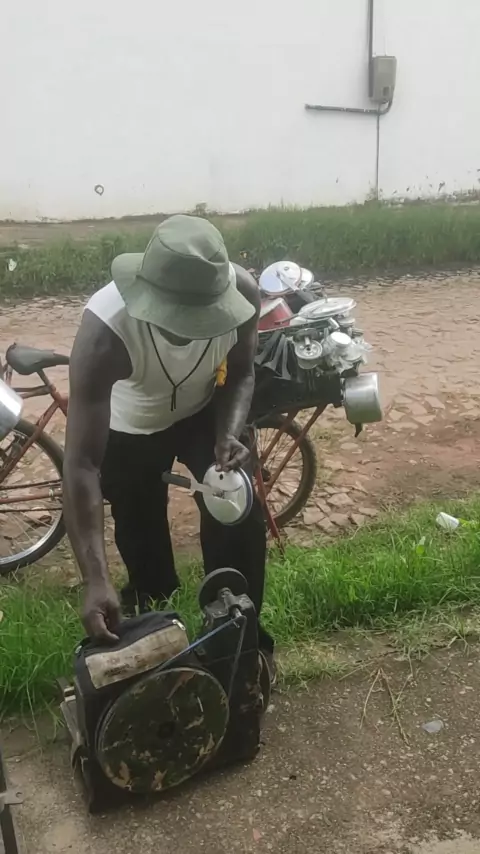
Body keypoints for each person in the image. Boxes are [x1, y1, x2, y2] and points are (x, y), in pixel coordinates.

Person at [63, 214, 274, 671]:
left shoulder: (243, 294)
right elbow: (81, 465)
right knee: (143, 544)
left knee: (237, 514)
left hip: (203, 417)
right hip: (129, 431)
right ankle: (159, 644)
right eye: (179, 318)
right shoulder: (105, 332)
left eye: (203, 317)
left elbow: (241, 373)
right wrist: (94, 579)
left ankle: (241, 646)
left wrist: (228, 431)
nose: (192, 330)